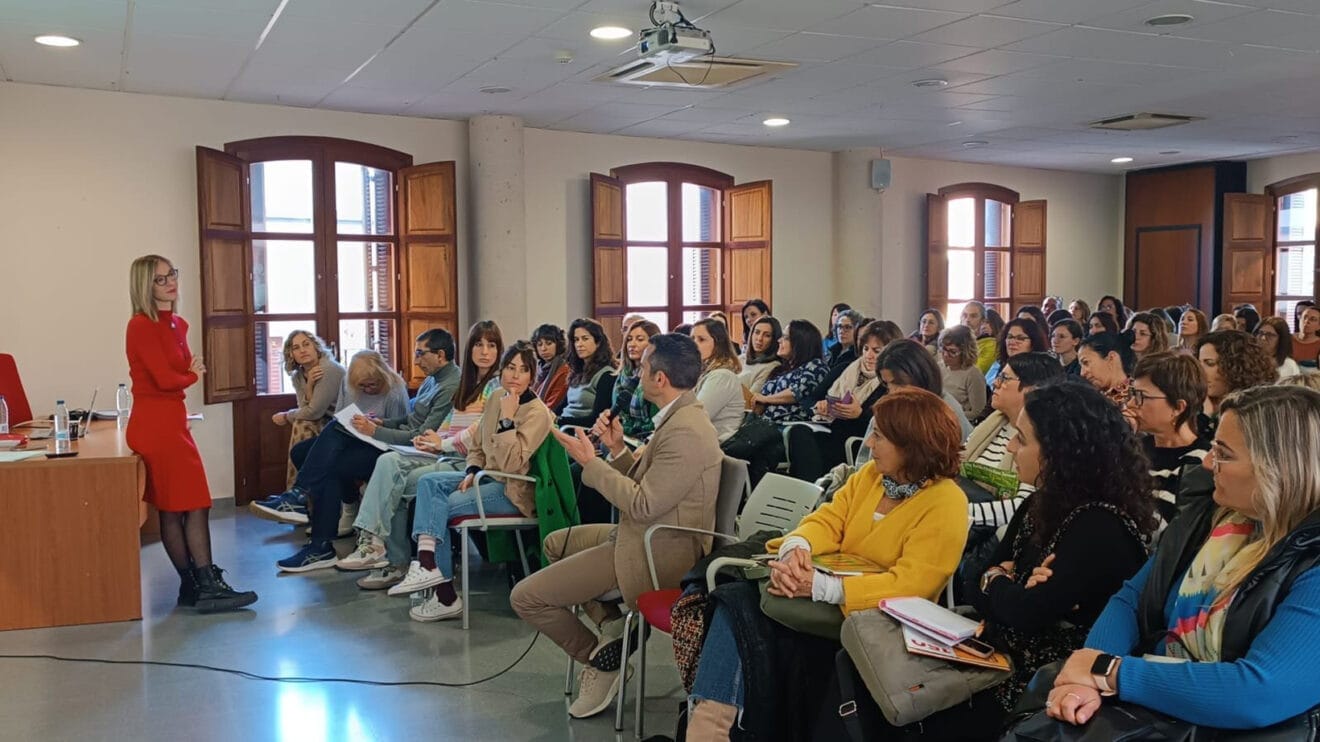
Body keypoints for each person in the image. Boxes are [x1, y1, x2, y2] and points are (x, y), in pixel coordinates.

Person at [863, 382, 1157, 738]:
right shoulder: (1039, 504)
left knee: (900, 711)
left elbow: (1025, 613)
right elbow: (972, 576)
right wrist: (1004, 584)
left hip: (1040, 686)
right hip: (998, 654)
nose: (1011, 447)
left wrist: (999, 579)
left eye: (1022, 439)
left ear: (1057, 453)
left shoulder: (1098, 526)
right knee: (868, 673)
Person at [685, 388, 970, 739]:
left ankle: (710, 725)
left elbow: (912, 585)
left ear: (912, 446)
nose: (869, 442)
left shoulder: (946, 502)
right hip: (828, 599)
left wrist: (823, 587)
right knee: (735, 600)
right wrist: (797, 550)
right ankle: (712, 722)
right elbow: (828, 520)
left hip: (880, 623)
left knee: (739, 604)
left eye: (880, 436)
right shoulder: (871, 477)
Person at [1049, 385, 1320, 733]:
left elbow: (1259, 692)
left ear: (1280, 470)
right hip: (1157, 716)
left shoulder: (1312, 562)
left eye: (1223, 453)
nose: (1207, 462)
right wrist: (1085, 679)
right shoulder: (1211, 517)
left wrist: (1110, 671)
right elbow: (1132, 599)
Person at [511, 333, 722, 719]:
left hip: (658, 552)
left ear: (660, 379)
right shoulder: (677, 417)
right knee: (556, 543)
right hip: (642, 533)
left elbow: (642, 504)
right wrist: (617, 450)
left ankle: (598, 658)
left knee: (525, 598)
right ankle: (613, 628)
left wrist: (591, 464)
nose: (637, 373)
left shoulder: (687, 431)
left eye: (643, 366)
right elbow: (652, 490)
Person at [259, 328, 461, 571]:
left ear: (440, 355)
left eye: (420, 353)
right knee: (306, 450)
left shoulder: (446, 385)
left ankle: (312, 525)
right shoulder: (432, 379)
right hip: (382, 438)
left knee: (330, 460)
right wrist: (380, 423)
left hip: (400, 449)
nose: (416, 360)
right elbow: (409, 421)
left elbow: (418, 435)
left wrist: (374, 430)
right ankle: (306, 512)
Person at [125, 255, 256, 611]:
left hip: (171, 421)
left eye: (172, 274)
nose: (170, 282)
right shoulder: (140, 325)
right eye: (160, 279)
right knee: (193, 504)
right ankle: (205, 584)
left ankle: (193, 587)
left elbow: (174, 375)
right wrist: (192, 374)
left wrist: (185, 374)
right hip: (156, 425)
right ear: (145, 286)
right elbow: (166, 379)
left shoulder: (177, 324)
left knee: (176, 507)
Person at [388, 343, 554, 621]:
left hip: (512, 488)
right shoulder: (497, 397)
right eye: (510, 368)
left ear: (532, 376)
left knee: (440, 506)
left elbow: (512, 464)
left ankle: (444, 594)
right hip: (484, 477)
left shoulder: (538, 413)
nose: (515, 375)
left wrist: (508, 420)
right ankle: (428, 564)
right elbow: (477, 444)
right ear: (502, 371)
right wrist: (472, 470)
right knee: (429, 483)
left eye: (524, 370)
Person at [962, 352, 1065, 529]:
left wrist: (954, 511)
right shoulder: (991, 424)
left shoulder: (1041, 439)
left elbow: (1023, 506)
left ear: (1032, 389)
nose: (995, 383)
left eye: (1005, 378)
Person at [786, 320, 888, 482]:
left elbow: (883, 424)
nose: (869, 355)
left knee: (811, 451)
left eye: (876, 351)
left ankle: (815, 489)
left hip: (858, 440)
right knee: (799, 432)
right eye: (866, 349)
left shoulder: (887, 382)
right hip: (831, 428)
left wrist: (860, 414)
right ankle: (812, 489)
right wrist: (819, 406)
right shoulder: (846, 368)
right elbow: (810, 398)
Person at [1124, 352, 1213, 527]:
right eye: (1132, 393)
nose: (1131, 404)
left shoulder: (1199, 462)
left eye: (1142, 396)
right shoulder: (1135, 448)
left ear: (1178, 407)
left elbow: (1163, 526)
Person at [273, 330, 346, 490]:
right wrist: (309, 385)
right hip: (325, 423)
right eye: (296, 348)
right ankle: (302, 492)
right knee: (303, 422)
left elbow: (313, 412)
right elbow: (305, 409)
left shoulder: (328, 369)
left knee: (302, 423)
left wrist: (286, 416)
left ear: (316, 347)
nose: (302, 350)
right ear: (291, 354)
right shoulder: (298, 375)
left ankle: (296, 490)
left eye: (306, 344)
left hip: (343, 426)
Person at [877, 339, 973, 441]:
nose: (892, 392)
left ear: (920, 376)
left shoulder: (946, 412)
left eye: (899, 383)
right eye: (887, 384)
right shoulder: (893, 407)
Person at [1196, 330, 1277, 439]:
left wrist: (1205, 419)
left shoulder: (1256, 415)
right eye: (1198, 363)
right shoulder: (1197, 404)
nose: (1200, 371)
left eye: (1210, 363)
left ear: (1235, 368)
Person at [752, 319, 829, 424]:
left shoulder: (816, 366)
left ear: (801, 343)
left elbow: (797, 392)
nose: (779, 340)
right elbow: (761, 401)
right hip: (763, 424)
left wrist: (766, 399)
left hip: (789, 426)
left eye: (786, 338)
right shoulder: (780, 369)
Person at [691, 318, 745, 442]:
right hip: (701, 442)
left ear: (718, 344)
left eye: (701, 339)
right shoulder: (703, 372)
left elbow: (695, 416)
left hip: (719, 446)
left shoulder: (722, 376)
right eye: (692, 339)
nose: (694, 344)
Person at [557, 318, 617, 428]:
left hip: (579, 430)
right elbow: (562, 407)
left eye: (585, 339)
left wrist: (560, 421)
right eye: (576, 340)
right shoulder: (577, 372)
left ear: (598, 342)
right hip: (562, 426)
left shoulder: (606, 375)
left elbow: (596, 419)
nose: (579, 344)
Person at [612, 319, 662, 439]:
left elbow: (656, 421)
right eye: (629, 339)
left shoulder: (657, 377)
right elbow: (615, 413)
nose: (632, 344)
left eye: (639, 339)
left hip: (648, 437)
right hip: (623, 433)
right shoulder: (623, 375)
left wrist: (631, 433)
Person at [938, 324, 987, 421]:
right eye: (944, 349)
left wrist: (947, 416)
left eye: (952, 352)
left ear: (965, 352)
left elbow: (978, 412)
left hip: (958, 422)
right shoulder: (939, 367)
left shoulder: (973, 374)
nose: (945, 355)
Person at [1078, 330, 1135, 405]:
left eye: (1086, 363)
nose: (1082, 373)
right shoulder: (1092, 399)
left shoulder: (1138, 398)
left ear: (1111, 358)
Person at [985, 317, 1048, 385]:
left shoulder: (1041, 371)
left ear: (1033, 342)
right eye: (1010, 337)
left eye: (1020, 338)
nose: (1012, 342)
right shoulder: (998, 365)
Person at [739, 315, 782, 395]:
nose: (759, 338)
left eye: (767, 335)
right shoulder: (741, 358)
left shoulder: (772, 366)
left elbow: (751, 398)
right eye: (757, 332)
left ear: (774, 339)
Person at [531, 323, 570, 410]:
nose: (543, 349)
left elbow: (552, 405)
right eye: (539, 344)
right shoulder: (538, 368)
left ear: (558, 344)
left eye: (549, 343)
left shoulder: (565, 371)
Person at [961, 301, 998, 373]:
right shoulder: (956, 340)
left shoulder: (991, 345)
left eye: (973, 316)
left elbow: (976, 372)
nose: (967, 320)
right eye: (965, 315)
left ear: (983, 321)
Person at [1294, 304, 1320, 370]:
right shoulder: (1287, 339)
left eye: (1313, 319)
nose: (1306, 321)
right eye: (1304, 317)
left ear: (1318, 326)